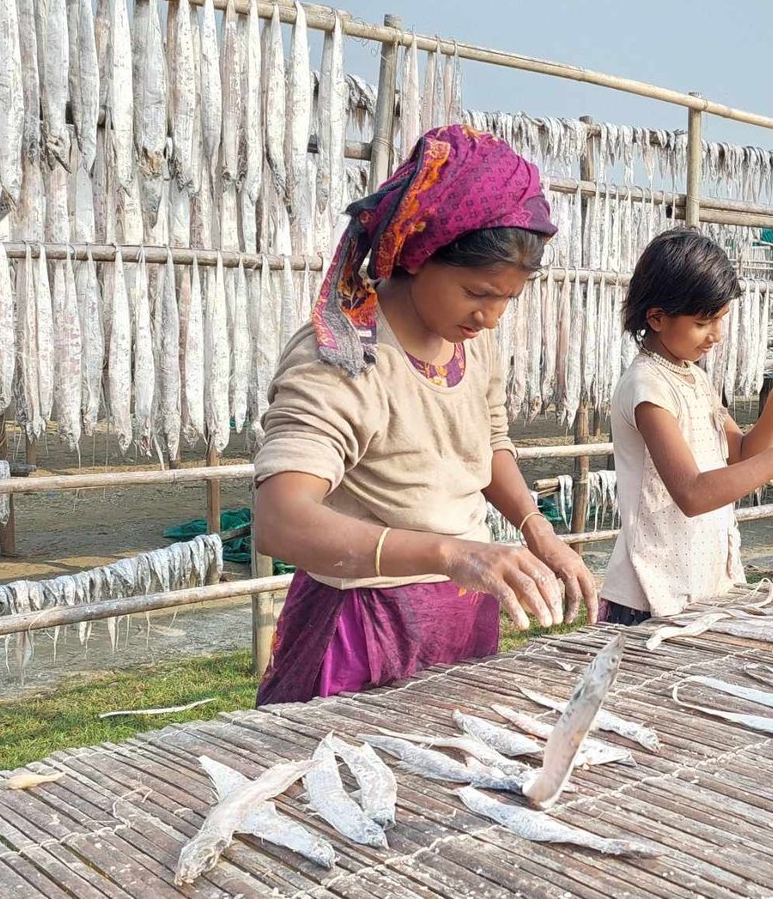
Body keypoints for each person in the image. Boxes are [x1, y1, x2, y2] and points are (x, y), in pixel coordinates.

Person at [252, 125, 596, 706]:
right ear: (416, 252)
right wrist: (450, 553)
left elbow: (486, 445)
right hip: (361, 624)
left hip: (462, 613)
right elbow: (280, 519)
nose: (491, 317)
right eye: (477, 292)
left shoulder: (470, 341)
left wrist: (539, 533)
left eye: (506, 300)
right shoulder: (343, 355)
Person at [599, 227, 773, 624]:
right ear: (656, 318)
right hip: (649, 593)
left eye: (721, 320)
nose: (716, 336)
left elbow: (740, 453)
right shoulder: (648, 389)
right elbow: (691, 493)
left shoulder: (693, 377)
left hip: (700, 583)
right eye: (705, 323)